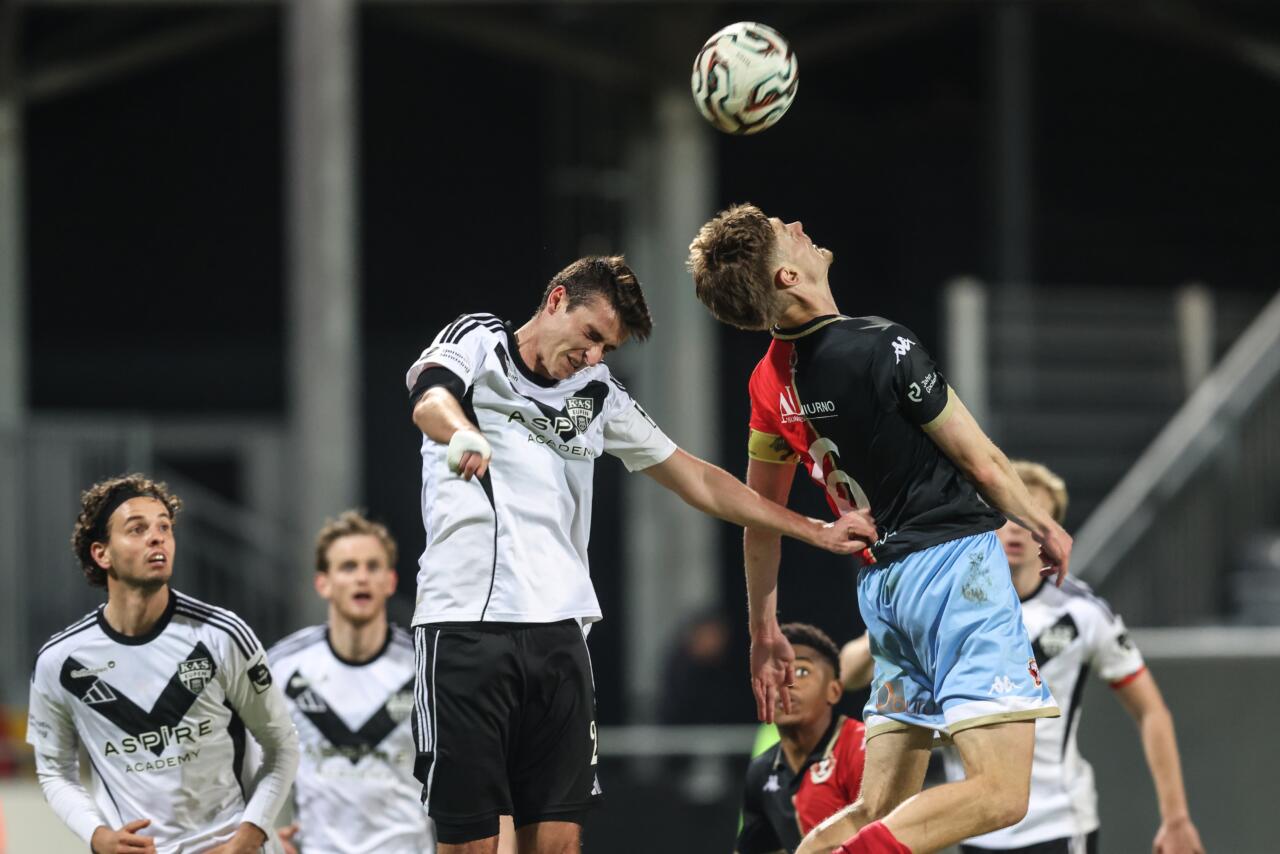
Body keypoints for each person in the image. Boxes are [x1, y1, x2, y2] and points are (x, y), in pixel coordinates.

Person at [405, 255, 876, 854]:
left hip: (560, 635)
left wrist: (814, 528)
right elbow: (429, 399)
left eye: (607, 347)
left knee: (558, 844)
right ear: (556, 300)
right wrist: (464, 432)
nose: (593, 356)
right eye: (590, 336)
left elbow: (699, 480)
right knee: (470, 845)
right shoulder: (480, 340)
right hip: (464, 630)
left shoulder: (598, 394)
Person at [687, 205, 1074, 854]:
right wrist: (1042, 524)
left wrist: (763, 630)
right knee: (1002, 793)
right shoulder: (881, 344)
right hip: (955, 573)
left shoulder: (766, 384)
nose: (800, 228)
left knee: (876, 806)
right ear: (786, 276)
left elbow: (760, 521)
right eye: (786, 233)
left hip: (884, 594)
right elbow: (981, 460)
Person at [939, 461, 1204, 854]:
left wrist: (1176, 817)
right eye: (1005, 513)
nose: (1016, 528)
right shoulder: (942, 604)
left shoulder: (1081, 613)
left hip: (1055, 823)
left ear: (1053, 532)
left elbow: (1151, 710)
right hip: (973, 825)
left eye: (1031, 517)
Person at [26, 474, 299, 854]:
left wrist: (251, 834)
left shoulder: (221, 635)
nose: (157, 538)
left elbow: (282, 745)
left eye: (164, 527)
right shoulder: (60, 662)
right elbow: (55, 771)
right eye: (137, 529)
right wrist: (97, 835)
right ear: (102, 554)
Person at [267, 510, 434, 854]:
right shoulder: (283, 667)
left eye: (373, 567)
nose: (361, 577)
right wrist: (267, 831)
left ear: (390, 581)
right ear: (323, 583)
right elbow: (248, 760)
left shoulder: (423, 668)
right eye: (348, 567)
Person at [737, 623, 867, 854]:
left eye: (802, 672)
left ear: (834, 691)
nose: (786, 684)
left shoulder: (862, 749)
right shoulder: (762, 770)